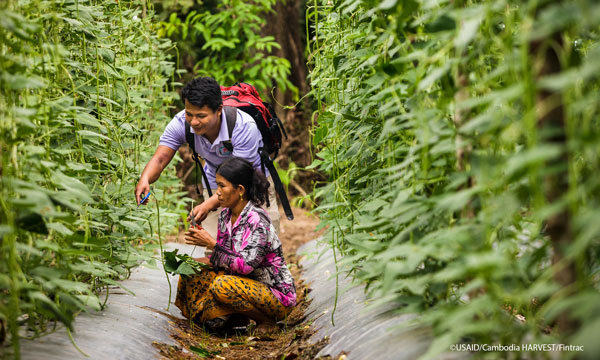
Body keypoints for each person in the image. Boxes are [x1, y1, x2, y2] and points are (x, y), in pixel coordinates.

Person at [134, 77, 280, 238]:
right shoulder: (181, 122)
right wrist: (145, 179)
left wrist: (206, 206)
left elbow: (240, 176)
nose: (194, 122)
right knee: (214, 246)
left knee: (262, 245)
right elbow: (160, 158)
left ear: (219, 110)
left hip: (251, 184)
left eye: (201, 116)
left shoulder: (243, 126)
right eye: (190, 114)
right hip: (214, 183)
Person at [175, 157, 296, 333]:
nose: (217, 193)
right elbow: (224, 259)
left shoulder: (257, 220)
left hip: (275, 295)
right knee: (190, 270)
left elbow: (245, 266)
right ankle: (232, 317)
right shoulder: (225, 216)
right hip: (243, 286)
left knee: (222, 285)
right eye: (217, 185)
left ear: (240, 190)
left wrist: (210, 243)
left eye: (222, 186)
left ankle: (267, 321)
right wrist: (190, 262)